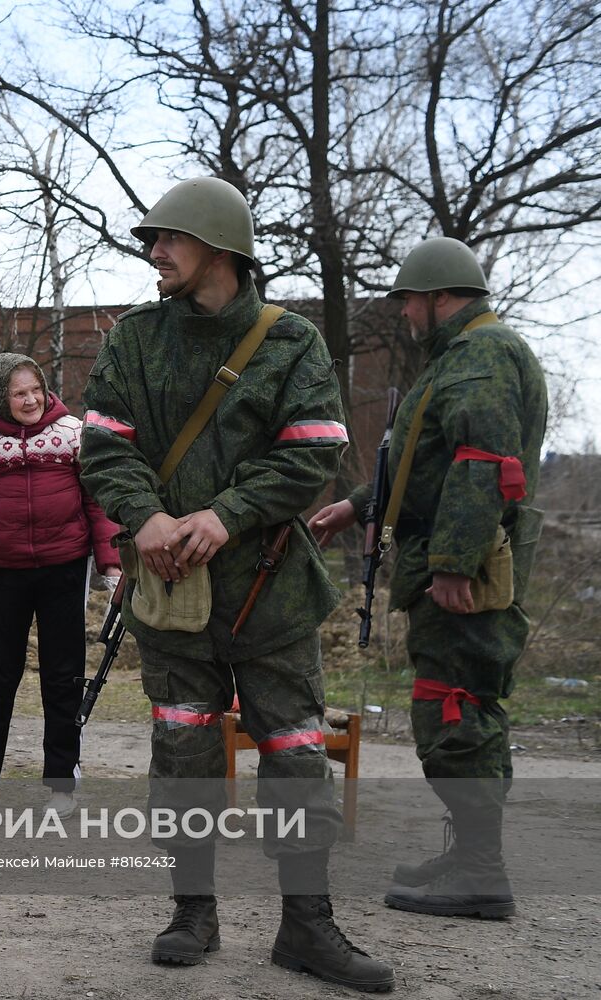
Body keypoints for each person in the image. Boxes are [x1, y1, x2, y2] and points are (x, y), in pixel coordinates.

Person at [79, 177, 392, 991]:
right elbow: (104, 445)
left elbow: (315, 450)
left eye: (169, 239)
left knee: (294, 752)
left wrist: (227, 514)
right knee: (183, 748)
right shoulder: (135, 340)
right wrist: (146, 516)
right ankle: (193, 910)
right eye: (152, 241)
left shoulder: (291, 342)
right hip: (171, 589)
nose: (155, 252)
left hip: (269, 589)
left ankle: (307, 924)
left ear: (220, 246)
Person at [310, 236, 546, 920]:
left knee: (455, 708)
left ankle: (480, 872)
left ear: (442, 296)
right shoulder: (463, 355)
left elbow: (482, 463)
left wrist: (451, 563)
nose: (405, 313)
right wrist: (358, 505)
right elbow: (425, 461)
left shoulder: (481, 355)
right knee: (459, 703)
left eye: (410, 300)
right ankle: (471, 855)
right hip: (458, 559)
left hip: (465, 572)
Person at [0, 352, 121, 818]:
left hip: (65, 569)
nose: (30, 399)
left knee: (63, 677)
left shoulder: (72, 434)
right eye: (19, 393)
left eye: (35, 389)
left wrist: (111, 566)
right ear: (1, 397)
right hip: (7, 571)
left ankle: (62, 786)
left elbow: (96, 506)